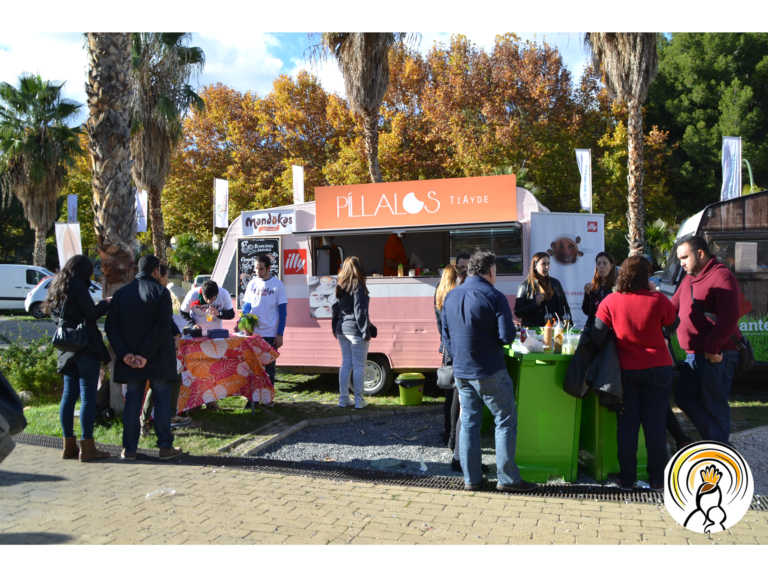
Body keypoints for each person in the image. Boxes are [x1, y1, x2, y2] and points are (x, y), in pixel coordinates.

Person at [442, 251, 536, 493]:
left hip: (462, 372)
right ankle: (508, 479)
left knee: (470, 423)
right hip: (490, 370)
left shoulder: (451, 296)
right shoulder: (494, 296)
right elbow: (507, 336)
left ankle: (472, 478)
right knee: (505, 421)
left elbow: (446, 336)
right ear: (491, 271)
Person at [591, 256, 679, 491]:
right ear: (646, 277)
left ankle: (627, 479)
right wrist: (653, 292)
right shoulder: (658, 299)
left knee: (627, 427)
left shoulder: (611, 301)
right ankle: (657, 480)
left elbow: (597, 337)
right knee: (656, 426)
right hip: (659, 370)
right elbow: (674, 324)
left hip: (626, 372)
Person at [105, 255, 183, 461]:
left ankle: (129, 449)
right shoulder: (161, 293)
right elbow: (163, 326)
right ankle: (165, 447)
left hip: (130, 359)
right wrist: (145, 354)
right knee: (162, 400)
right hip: (156, 356)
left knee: (132, 401)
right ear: (156, 271)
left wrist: (125, 354)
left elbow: (110, 327)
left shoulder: (120, 294)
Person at [672, 236, 742, 444]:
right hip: (695, 353)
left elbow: (730, 316)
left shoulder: (722, 276)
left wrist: (713, 346)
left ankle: (720, 451)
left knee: (715, 405)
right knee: (684, 397)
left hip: (717, 353)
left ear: (700, 254)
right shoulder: (689, 278)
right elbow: (671, 307)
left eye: (684, 257)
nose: (681, 263)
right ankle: (718, 446)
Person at [44, 255, 111, 462]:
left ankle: (68, 446)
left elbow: (56, 316)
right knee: (88, 397)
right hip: (84, 346)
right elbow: (91, 314)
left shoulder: (56, 286)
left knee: (68, 397)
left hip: (66, 348)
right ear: (83, 271)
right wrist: (105, 304)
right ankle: (88, 447)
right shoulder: (77, 286)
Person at [140, 264, 192, 436]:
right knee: (158, 383)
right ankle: (146, 420)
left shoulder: (162, 294)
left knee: (174, 378)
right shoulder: (154, 293)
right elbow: (160, 323)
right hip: (156, 348)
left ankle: (170, 415)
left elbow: (169, 319)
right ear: (157, 274)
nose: (168, 280)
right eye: (166, 276)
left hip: (165, 347)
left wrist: (176, 334)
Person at [241, 254, 287, 407]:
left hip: (270, 334)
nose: (258, 271)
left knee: (269, 369)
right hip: (253, 334)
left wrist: (279, 333)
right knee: (252, 368)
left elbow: (283, 311)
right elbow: (247, 307)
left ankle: (268, 398)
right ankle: (252, 399)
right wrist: (244, 325)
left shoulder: (277, 285)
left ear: (269, 268)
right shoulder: (252, 284)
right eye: (255, 268)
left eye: (261, 269)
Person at [332, 256, 372, 409]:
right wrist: (365, 331)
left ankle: (343, 399)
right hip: (355, 329)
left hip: (342, 329)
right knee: (359, 365)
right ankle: (359, 400)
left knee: (346, 364)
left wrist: (334, 328)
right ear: (358, 268)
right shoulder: (358, 285)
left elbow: (335, 309)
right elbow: (360, 311)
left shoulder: (340, 286)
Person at [434, 264, 464, 447]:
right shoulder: (455, 297)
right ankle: (454, 436)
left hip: (446, 347)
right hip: (456, 348)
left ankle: (448, 431)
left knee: (449, 393)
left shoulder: (439, 295)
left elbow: (440, 326)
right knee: (457, 394)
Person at [514, 252, 571, 327]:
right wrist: (535, 303)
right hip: (535, 331)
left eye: (548, 263)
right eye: (543, 264)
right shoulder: (525, 286)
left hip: (556, 329)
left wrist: (569, 326)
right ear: (535, 266)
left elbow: (565, 307)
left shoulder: (555, 283)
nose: (547, 267)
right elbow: (517, 312)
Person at [582, 251, 617, 327]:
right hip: (593, 328)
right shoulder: (592, 286)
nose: (601, 266)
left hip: (610, 330)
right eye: (599, 264)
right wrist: (587, 295)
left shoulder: (617, 288)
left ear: (611, 266)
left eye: (605, 263)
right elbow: (586, 311)